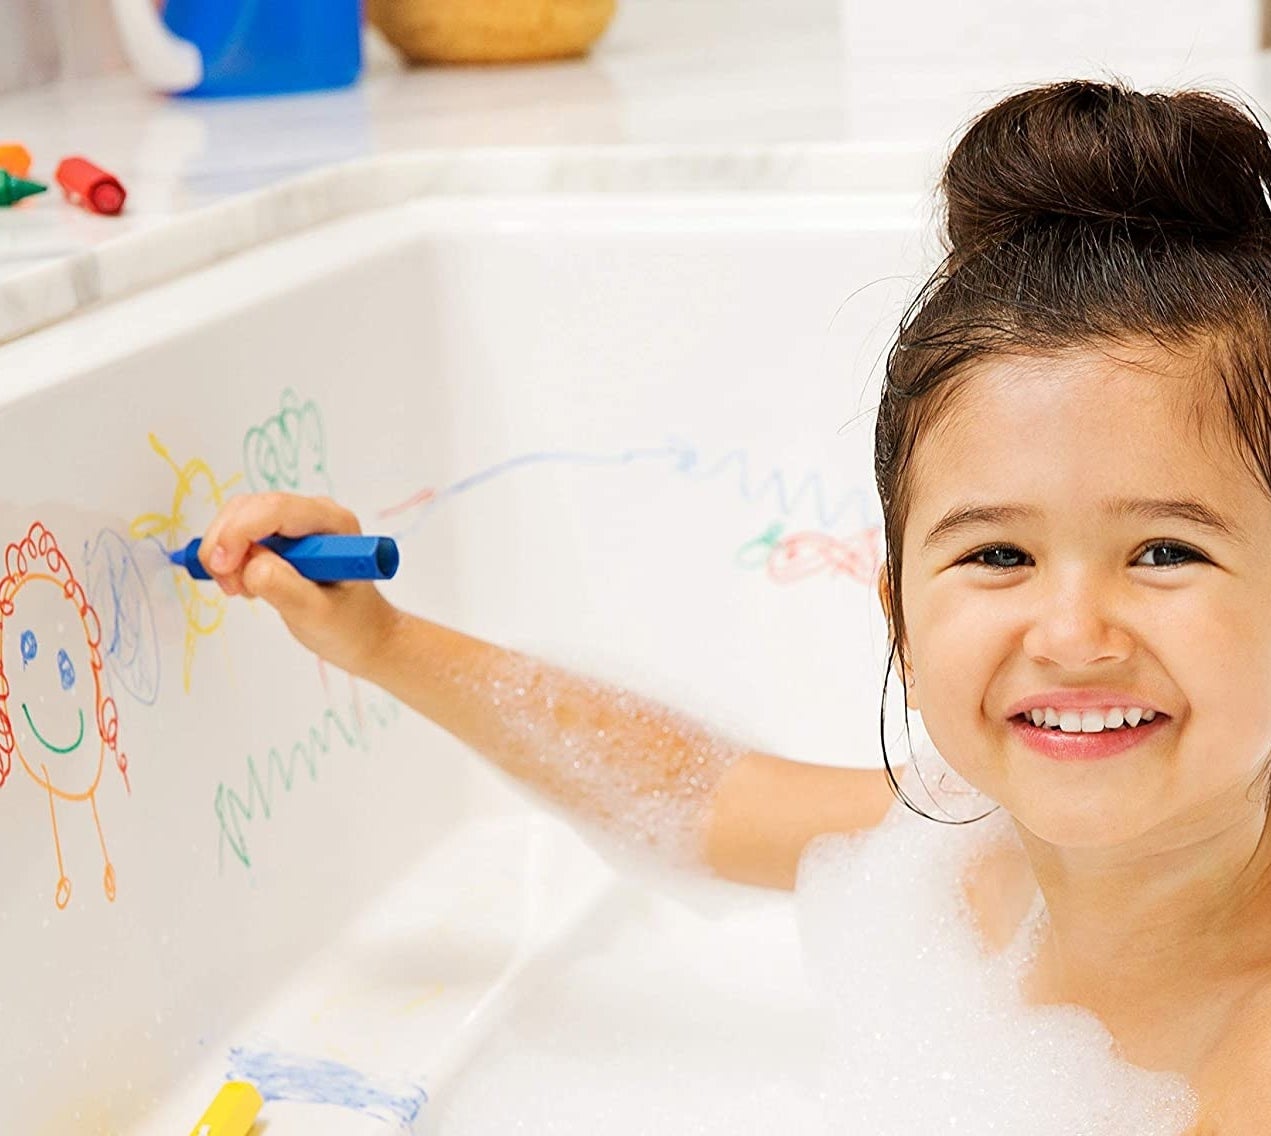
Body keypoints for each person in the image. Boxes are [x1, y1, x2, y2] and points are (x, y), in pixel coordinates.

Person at [198, 79, 1271, 1131]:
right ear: (896, 607)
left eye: (1162, 550)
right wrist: (378, 638)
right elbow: (695, 794)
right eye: (997, 553)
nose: (1073, 634)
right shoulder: (962, 859)